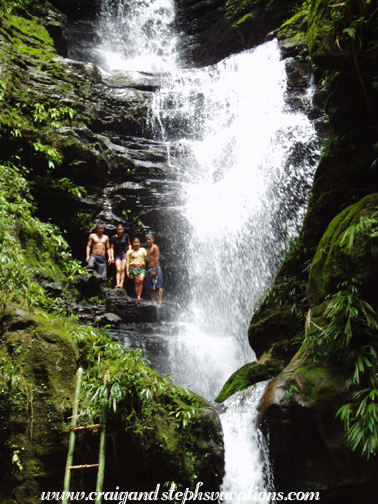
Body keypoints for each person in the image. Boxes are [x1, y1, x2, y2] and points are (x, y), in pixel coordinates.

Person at [126, 237, 147, 301]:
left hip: (142, 268)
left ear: (140, 243)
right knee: (137, 283)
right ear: (132, 243)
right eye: (135, 242)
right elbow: (127, 262)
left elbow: (147, 258)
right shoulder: (129, 251)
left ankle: (139, 295)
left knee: (141, 280)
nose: (136, 244)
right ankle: (138, 296)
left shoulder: (143, 250)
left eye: (137, 242)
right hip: (133, 268)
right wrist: (127, 271)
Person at [110, 224, 130, 288]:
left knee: (123, 268)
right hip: (117, 255)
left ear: (123, 230)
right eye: (119, 229)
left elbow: (129, 245)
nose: (120, 231)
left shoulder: (126, 236)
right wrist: (112, 257)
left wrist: (129, 252)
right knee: (118, 269)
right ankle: (117, 283)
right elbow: (111, 248)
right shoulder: (113, 237)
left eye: (121, 229)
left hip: (124, 254)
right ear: (117, 230)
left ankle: (121, 283)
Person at [146, 234, 163, 303]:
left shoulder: (155, 247)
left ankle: (160, 301)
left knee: (159, 285)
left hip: (155, 268)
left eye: (149, 239)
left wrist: (154, 270)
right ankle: (153, 301)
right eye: (146, 240)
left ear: (153, 239)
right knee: (150, 286)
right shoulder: (147, 250)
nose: (148, 241)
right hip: (149, 269)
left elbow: (156, 259)